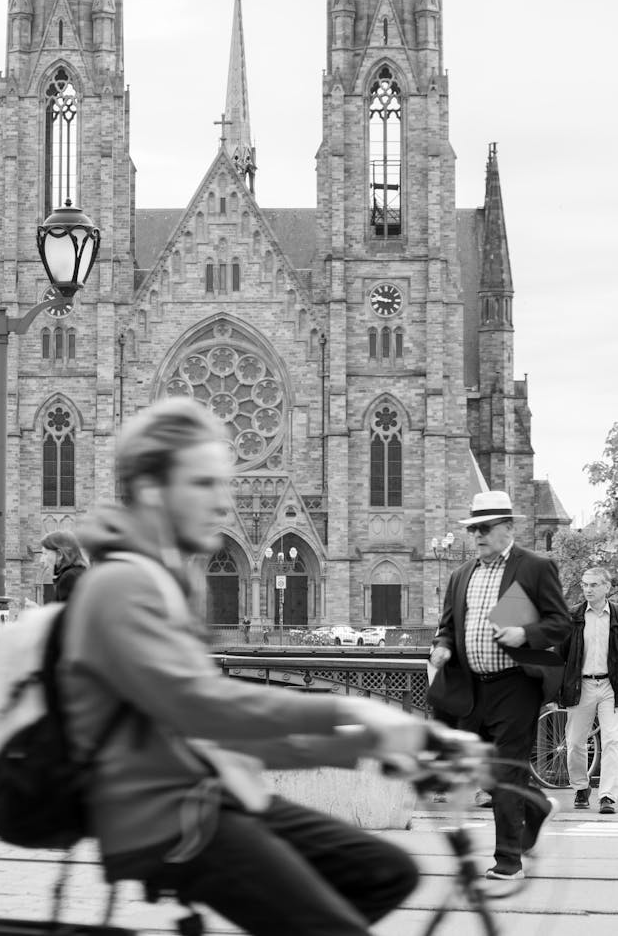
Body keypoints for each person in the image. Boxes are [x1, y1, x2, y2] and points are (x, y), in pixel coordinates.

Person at [59, 398, 474, 936]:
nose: (221, 500)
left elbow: (235, 738)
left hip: (215, 796)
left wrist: (374, 747)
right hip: (171, 821)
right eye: (203, 484)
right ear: (155, 491)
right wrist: (362, 719)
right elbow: (212, 711)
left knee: (386, 871)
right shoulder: (121, 586)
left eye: (222, 481)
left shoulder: (165, 582)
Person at [429, 490, 571, 881]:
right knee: (487, 772)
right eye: (474, 528)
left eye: (486, 528)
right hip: (472, 688)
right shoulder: (461, 575)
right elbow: (447, 628)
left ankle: (508, 861)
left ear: (509, 528)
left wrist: (525, 633)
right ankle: (538, 806)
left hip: (515, 686)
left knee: (506, 772)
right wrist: (442, 648)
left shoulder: (535, 567)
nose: (478, 535)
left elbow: (559, 623)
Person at [559, 565, 618, 813]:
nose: (588, 589)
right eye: (585, 584)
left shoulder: (616, 616)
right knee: (573, 743)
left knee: (613, 739)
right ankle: (581, 788)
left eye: (594, 584)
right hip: (580, 685)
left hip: (610, 686)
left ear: (607, 587)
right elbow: (561, 654)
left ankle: (608, 796)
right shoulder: (573, 616)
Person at [41, 530, 89, 602]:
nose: (41, 560)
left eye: (45, 554)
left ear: (59, 554)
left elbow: (69, 613)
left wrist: (37, 612)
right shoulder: (79, 573)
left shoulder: (69, 577)